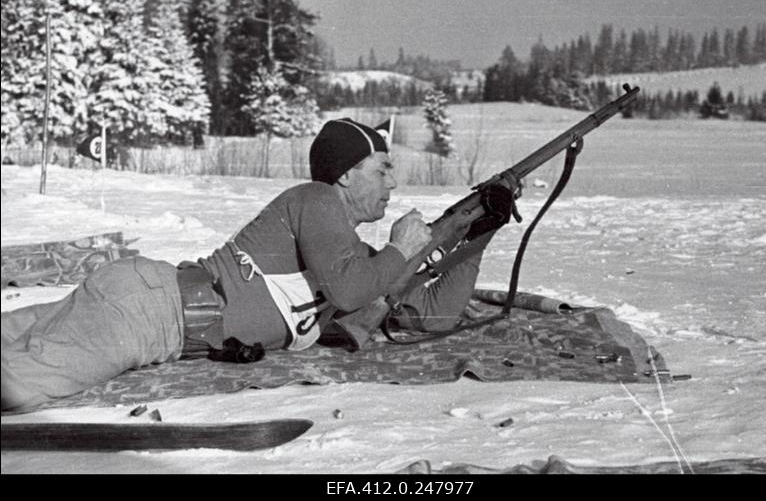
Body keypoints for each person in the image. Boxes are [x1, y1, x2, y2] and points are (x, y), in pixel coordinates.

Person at [1, 118, 518, 412]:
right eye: (382, 169)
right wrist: (404, 249)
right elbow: (350, 290)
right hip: (150, 313)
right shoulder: (316, 200)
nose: (393, 183)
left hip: (149, 302)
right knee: (18, 385)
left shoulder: (355, 254)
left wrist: (478, 232)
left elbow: (435, 314)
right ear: (345, 175)